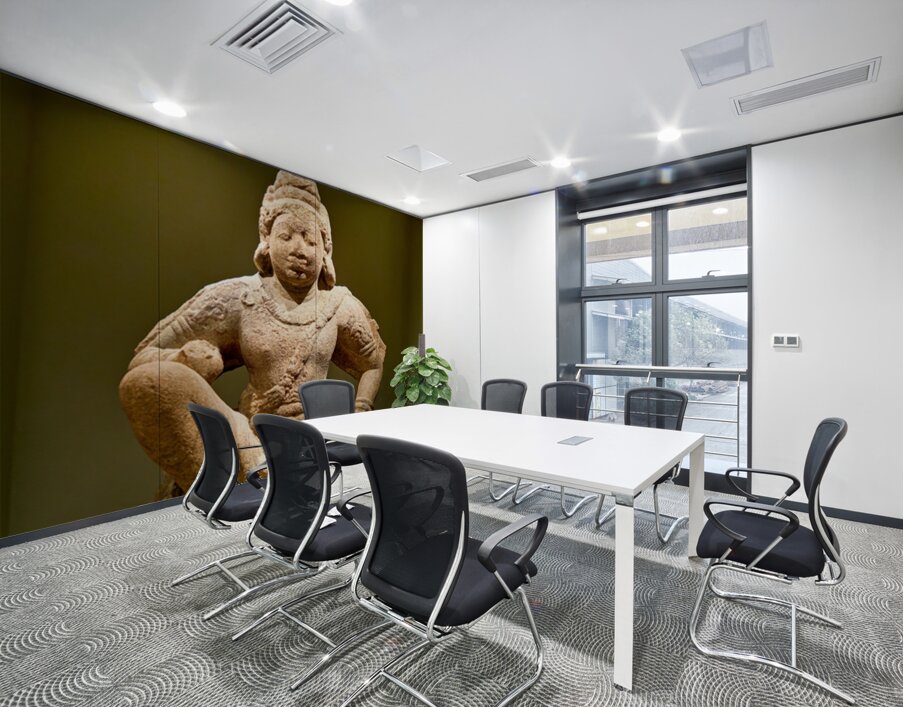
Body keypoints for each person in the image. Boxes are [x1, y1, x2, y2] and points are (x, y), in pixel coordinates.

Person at [119, 171, 385, 496]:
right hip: (254, 435)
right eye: (287, 236)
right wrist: (183, 358)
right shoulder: (237, 297)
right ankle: (241, 486)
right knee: (149, 381)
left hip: (315, 437)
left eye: (311, 240)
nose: (300, 250)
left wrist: (361, 409)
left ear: (325, 249)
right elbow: (145, 360)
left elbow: (372, 362)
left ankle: (263, 495)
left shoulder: (339, 304)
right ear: (267, 240)